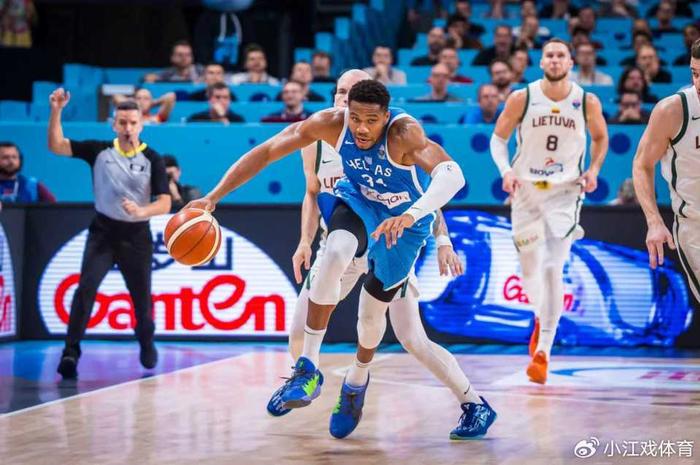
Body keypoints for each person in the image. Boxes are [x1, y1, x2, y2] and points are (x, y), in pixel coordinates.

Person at [185, 78, 496, 439]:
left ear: (385, 115)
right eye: (354, 116)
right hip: (359, 206)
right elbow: (268, 152)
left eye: (371, 120)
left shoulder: (404, 133)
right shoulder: (328, 126)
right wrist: (214, 197)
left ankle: (360, 382)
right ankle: (307, 369)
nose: (361, 128)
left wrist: (426, 227)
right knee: (333, 255)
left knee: (382, 324)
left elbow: (451, 176)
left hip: (401, 226)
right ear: (343, 105)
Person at [490, 38, 608, 384]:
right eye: (550, 55)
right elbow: (498, 139)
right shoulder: (522, 97)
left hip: (565, 193)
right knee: (530, 271)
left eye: (561, 55)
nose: (555, 60)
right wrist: (506, 172)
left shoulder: (587, 101)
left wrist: (594, 170)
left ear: (570, 63)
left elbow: (601, 138)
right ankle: (541, 315)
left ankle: (543, 350)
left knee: (554, 266)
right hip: (526, 192)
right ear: (541, 62)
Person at [47, 90, 171, 378]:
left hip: (136, 236)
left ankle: (146, 341)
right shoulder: (99, 150)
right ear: (114, 124)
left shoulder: (153, 158)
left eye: (133, 123)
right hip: (103, 232)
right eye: (122, 122)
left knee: (141, 301)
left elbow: (165, 203)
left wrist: (141, 211)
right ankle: (70, 353)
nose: (128, 128)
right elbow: (56, 145)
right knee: (85, 289)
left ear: (141, 125)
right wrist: (56, 110)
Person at [632, 38, 700, 304]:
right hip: (695, 226)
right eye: (695, 73)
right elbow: (642, 164)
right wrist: (654, 221)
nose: (698, 83)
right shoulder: (673, 110)